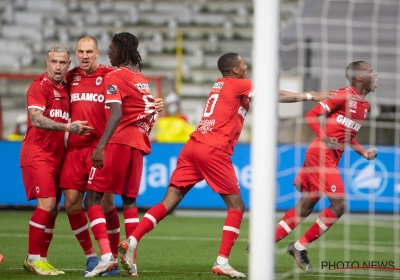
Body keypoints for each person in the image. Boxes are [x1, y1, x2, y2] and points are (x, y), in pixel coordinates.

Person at [118, 52, 252, 279]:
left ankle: (131, 240)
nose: (246, 65)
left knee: (168, 203)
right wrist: (309, 95)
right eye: (242, 63)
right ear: (235, 70)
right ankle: (223, 261)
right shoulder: (239, 84)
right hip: (213, 148)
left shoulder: (219, 85)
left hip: (194, 146)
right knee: (237, 207)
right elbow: (273, 95)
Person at [276, 61, 378, 272]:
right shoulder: (342, 95)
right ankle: (299, 246)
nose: (375, 74)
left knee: (304, 208)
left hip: (329, 158)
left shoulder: (365, 106)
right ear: (358, 77)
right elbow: (310, 115)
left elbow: (347, 136)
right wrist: (324, 138)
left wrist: (362, 152)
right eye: (370, 71)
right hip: (320, 155)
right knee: (339, 205)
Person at [84, 32, 163, 277]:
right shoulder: (141, 79)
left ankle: (107, 257)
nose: (109, 52)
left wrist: (101, 146)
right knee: (129, 202)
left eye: (111, 48)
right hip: (138, 145)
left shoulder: (115, 76)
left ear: (121, 50)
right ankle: (132, 262)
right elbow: (149, 114)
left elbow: (116, 113)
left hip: (117, 142)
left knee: (92, 200)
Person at [20, 44, 93, 275]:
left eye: (63, 62)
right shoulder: (38, 87)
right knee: (48, 205)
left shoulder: (67, 88)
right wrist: (67, 127)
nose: (58, 67)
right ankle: (33, 258)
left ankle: (42, 259)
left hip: (57, 157)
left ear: (68, 65)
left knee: (53, 210)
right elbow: (36, 120)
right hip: (37, 154)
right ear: (47, 62)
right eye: (54, 62)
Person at [59, 35, 121, 277]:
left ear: (98, 54)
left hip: (100, 148)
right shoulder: (70, 77)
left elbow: (127, 100)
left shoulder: (110, 75)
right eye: (80, 52)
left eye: (89, 52)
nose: (84, 56)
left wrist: (151, 105)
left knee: (105, 204)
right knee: (72, 203)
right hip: (75, 149)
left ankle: (112, 258)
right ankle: (90, 256)